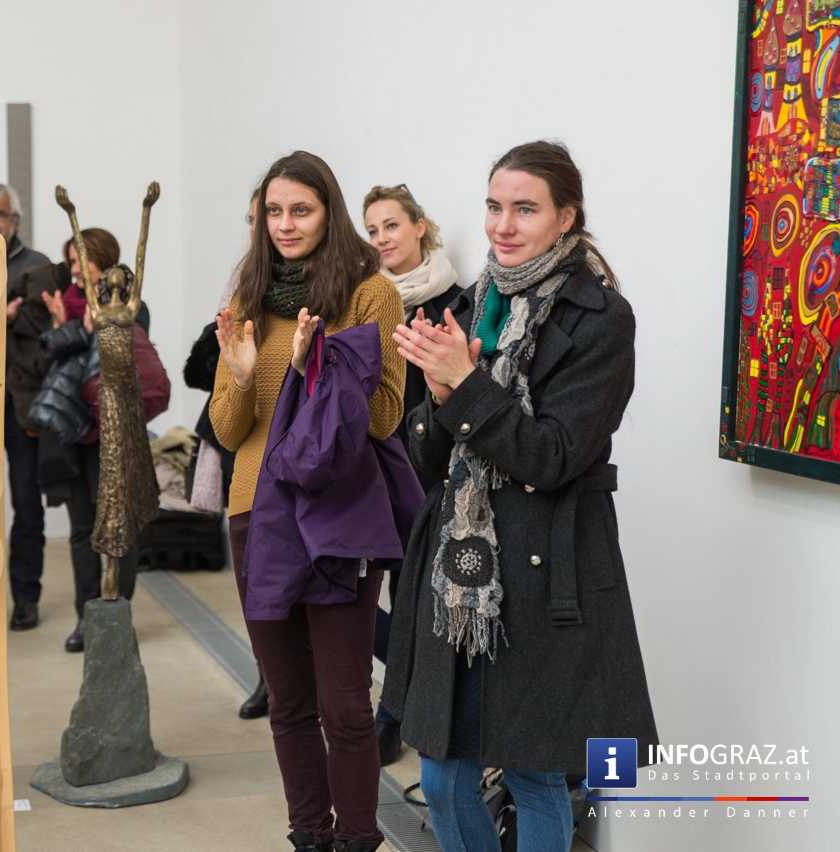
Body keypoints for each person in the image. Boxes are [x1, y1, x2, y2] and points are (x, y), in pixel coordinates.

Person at [380, 141, 659, 852]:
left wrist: (465, 389)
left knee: (536, 776)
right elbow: (431, 457)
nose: (503, 225)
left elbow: (556, 457)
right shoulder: (477, 303)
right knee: (443, 777)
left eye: (525, 209)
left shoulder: (602, 319)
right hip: (462, 579)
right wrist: (439, 395)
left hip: (546, 577)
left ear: (566, 217)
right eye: (495, 206)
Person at [210, 151, 406, 852]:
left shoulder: (368, 293)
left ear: (330, 212)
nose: (285, 224)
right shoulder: (249, 293)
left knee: (346, 707)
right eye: (273, 211)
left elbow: (384, 416)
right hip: (253, 513)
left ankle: (356, 839)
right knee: (289, 703)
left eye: (301, 210)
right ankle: (308, 838)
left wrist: (313, 369)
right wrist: (238, 375)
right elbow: (231, 431)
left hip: (334, 519)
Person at [30, 228, 170, 652]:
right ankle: (85, 619)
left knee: (120, 529)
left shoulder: (131, 305)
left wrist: (71, 333)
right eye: (70, 262)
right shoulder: (63, 303)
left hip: (114, 436)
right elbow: (43, 359)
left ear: (103, 263)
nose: (73, 271)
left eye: (80, 263)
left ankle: (117, 615)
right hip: (74, 436)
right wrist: (64, 327)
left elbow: (117, 350)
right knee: (81, 531)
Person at [361, 184, 462, 766]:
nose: (382, 240)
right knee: (373, 598)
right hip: (378, 469)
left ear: (419, 226)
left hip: (428, 475)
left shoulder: (455, 297)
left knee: (411, 601)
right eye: (372, 230)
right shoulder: (371, 298)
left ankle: (392, 717)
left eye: (391, 226)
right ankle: (395, 705)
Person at [182, 187, 270, 720]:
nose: (268, 226)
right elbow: (197, 369)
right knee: (253, 576)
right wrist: (232, 354)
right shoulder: (242, 280)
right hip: (240, 442)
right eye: (259, 216)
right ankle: (269, 677)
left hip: (290, 453)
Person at [0, 184, 55, 632]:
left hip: (22, 406)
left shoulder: (37, 266)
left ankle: (26, 598)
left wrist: (9, 318)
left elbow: (42, 326)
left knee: (26, 504)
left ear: (15, 221)